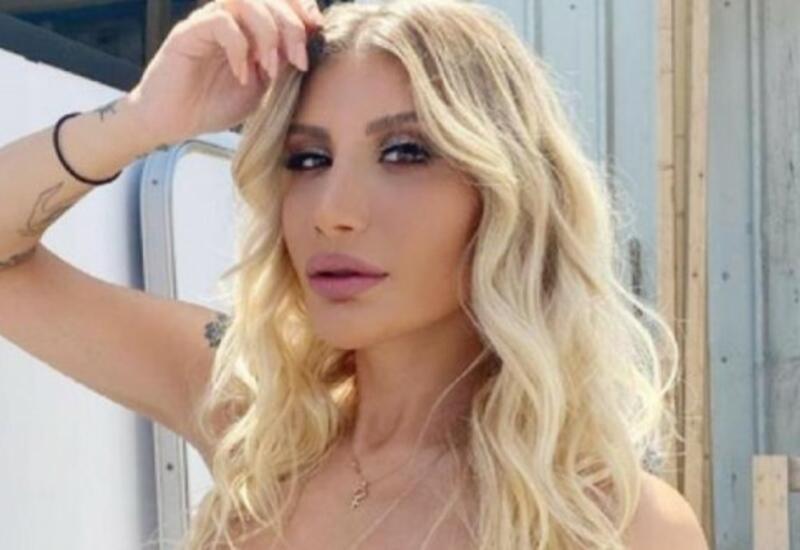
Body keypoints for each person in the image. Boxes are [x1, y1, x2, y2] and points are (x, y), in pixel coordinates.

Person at [0, 0, 710, 548]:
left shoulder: (613, 521)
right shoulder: (255, 419)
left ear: (506, 193)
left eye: (405, 153)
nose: (333, 213)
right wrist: (140, 120)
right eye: (308, 160)